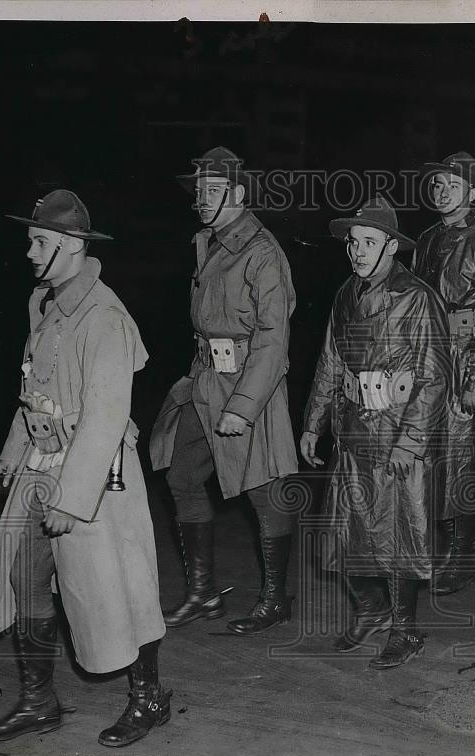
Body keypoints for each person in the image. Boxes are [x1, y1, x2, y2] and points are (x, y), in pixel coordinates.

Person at [0, 189, 169, 747]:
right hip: (42, 463)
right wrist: (10, 460)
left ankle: (149, 698)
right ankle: (39, 702)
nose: (30, 252)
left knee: (121, 587)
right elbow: (33, 396)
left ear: (73, 246)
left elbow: (106, 417)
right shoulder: (47, 305)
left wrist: (69, 499)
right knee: (24, 576)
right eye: (31, 240)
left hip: (99, 474)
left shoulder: (104, 316)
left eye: (40, 242)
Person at [149, 147, 299, 634]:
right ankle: (203, 592)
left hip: (249, 383)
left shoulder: (262, 253)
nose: (201, 200)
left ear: (237, 194)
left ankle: (275, 599)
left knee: (262, 489)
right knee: (182, 477)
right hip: (206, 378)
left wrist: (243, 407)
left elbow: (273, 340)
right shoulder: (206, 243)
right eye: (199, 192)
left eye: (212, 192)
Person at [300, 196, 450, 669]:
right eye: (353, 243)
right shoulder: (346, 294)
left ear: (391, 246)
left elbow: (433, 376)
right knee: (346, 531)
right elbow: (330, 361)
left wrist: (410, 443)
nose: (358, 251)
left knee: (400, 536)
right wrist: (313, 422)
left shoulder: (417, 297)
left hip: (396, 434)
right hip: (354, 432)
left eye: (368, 242)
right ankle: (372, 610)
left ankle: (405, 630)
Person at [411, 151, 475, 595]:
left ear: (472, 193)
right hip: (429, 360)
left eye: (452, 185)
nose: (442, 192)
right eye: (437, 185)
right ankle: (443, 547)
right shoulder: (426, 240)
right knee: (431, 458)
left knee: (464, 460)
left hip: (466, 360)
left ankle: (463, 555)